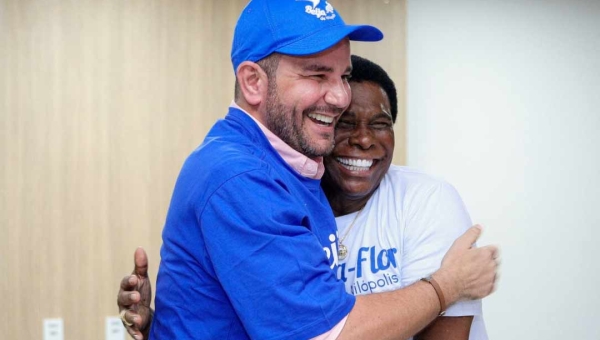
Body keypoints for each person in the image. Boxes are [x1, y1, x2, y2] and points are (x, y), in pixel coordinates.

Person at [119, 0, 498, 339]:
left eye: (343, 75)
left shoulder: (294, 167)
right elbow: (332, 334)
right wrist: (447, 285)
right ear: (253, 82)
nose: (339, 97)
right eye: (317, 75)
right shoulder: (240, 177)